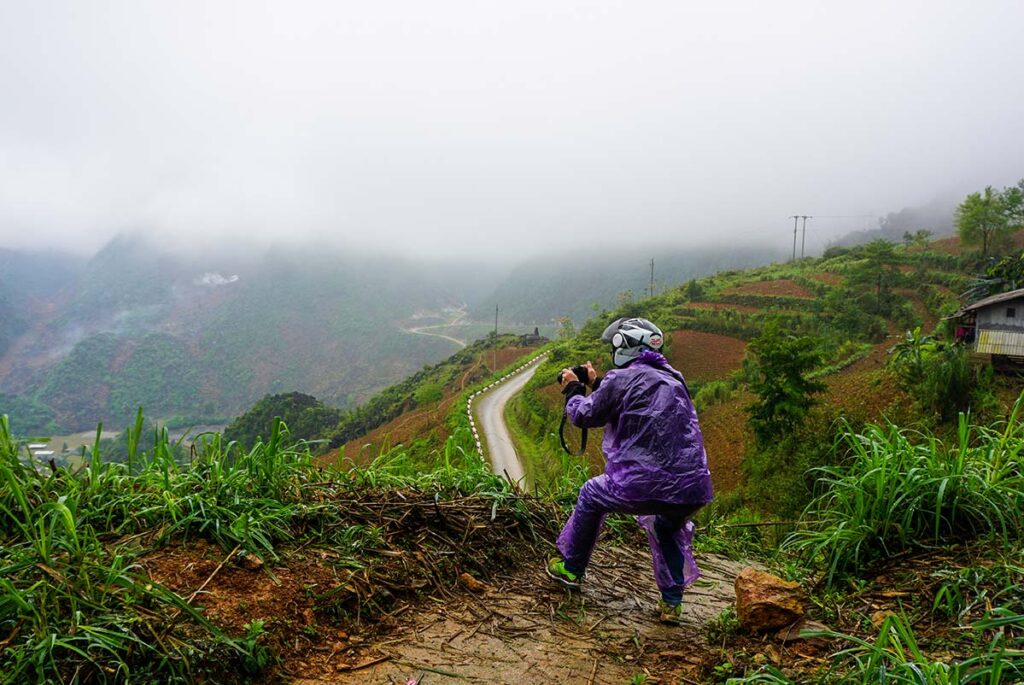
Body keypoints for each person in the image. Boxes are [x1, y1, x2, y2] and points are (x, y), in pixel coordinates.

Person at [547, 317, 713, 624]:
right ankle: (672, 603)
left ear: (623, 346)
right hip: (692, 489)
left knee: (590, 494)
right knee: (667, 526)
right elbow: (632, 402)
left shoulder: (621, 378)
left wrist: (573, 388)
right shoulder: (675, 378)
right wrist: (597, 383)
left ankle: (571, 569)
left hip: (641, 485)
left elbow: (585, 415)